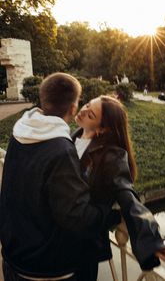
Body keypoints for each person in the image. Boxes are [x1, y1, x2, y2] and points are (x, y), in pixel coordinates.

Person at [0, 73, 118, 281]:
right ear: (73, 108)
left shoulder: (21, 132)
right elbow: (76, 216)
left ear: (43, 99)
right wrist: (111, 213)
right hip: (44, 268)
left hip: (14, 257)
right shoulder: (60, 149)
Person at [72, 95, 165, 275]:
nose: (83, 110)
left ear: (102, 128)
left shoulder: (111, 157)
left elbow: (127, 195)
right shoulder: (72, 138)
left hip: (82, 247)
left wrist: (154, 240)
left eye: (91, 115)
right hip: (60, 240)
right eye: (86, 104)